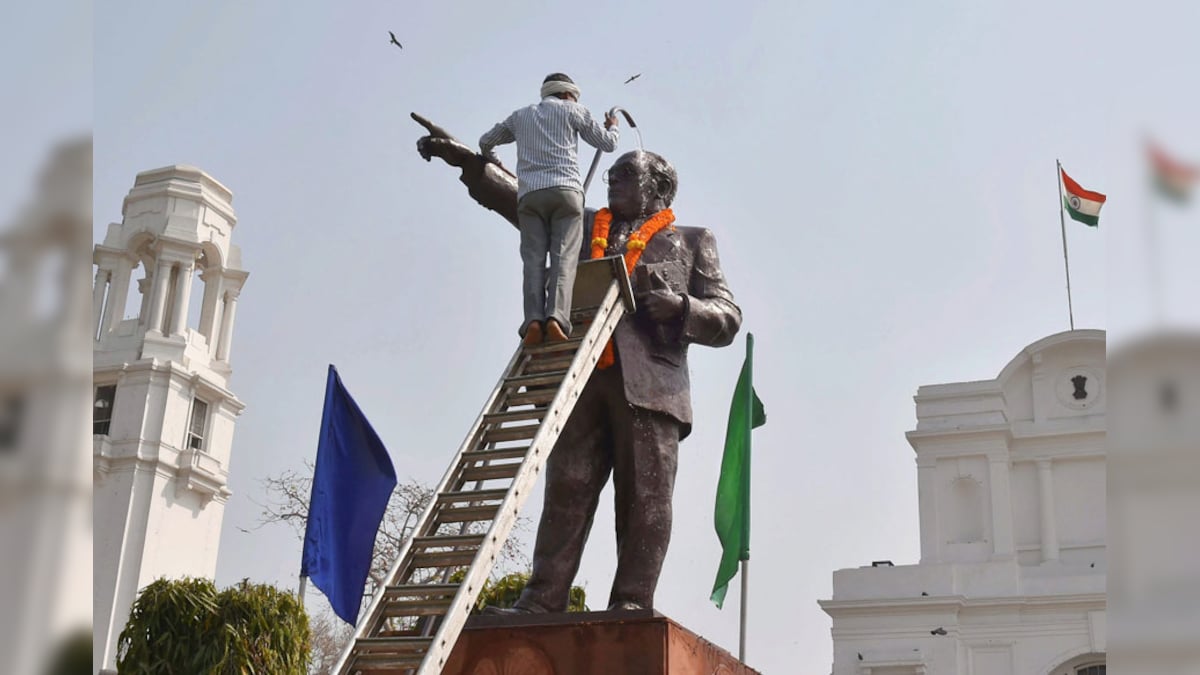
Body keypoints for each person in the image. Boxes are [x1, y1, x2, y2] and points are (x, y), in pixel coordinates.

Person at [415, 119, 741, 613]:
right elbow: (526, 200)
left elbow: (728, 316)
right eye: (610, 175)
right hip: (580, 377)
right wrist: (473, 165)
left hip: (651, 387)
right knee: (566, 491)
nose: (613, 182)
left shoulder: (694, 241)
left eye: (626, 175)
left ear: (660, 189)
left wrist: (681, 309)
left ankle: (632, 602)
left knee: (646, 502)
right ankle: (542, 599)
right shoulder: (588, 225)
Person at [479, 73, 619, 346]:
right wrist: (613, 126)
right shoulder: (574, 111)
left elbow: (486, 142)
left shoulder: (520, 116)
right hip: (566, 193)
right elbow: (609, 144)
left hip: (530, 196)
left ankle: (532, 320)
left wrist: (496, 163)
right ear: (569, 94)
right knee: (563, 258)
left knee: (532, 261)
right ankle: (556, 317)